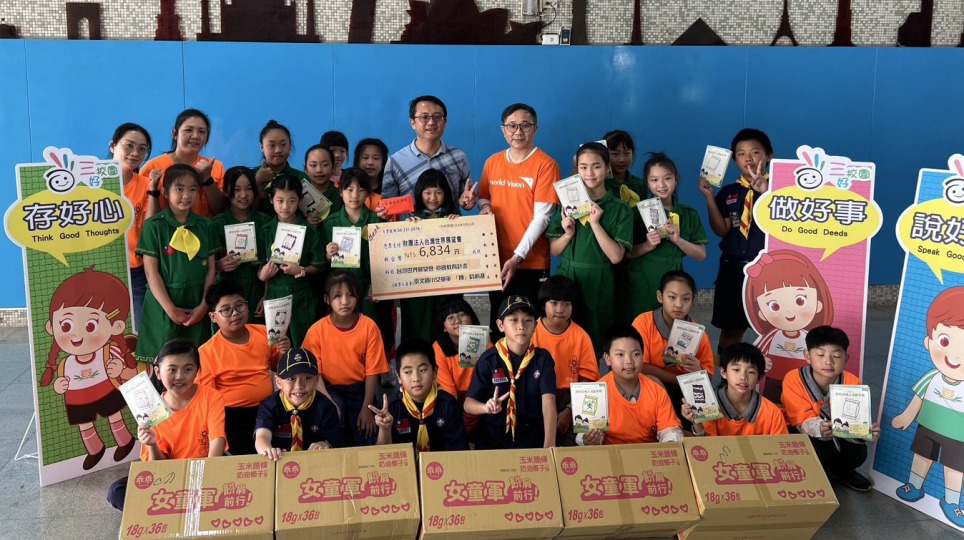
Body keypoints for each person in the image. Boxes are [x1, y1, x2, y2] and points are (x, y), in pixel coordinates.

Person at [465, 103, 560, 335]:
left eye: (525, 125)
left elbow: (542, 218)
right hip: (495, 259)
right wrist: (484, 206)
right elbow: (484, 197)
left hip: (530, 263)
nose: (518, 132)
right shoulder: (493, 161)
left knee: (527, 327)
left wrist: (517, 257)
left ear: (535, 128)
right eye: (512, 126)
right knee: (500, 324)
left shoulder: (546, 165)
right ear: (503, 130)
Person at [106, 339, 227, 511]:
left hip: (207, 470)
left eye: (188, 369)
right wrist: (151, 444)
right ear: (158, 372)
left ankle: (173, 509)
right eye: (172, 370)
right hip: (171, 478)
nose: (179, 376)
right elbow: (158, 469)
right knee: (117, 491)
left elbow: (217, 440)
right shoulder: (151, 410)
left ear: (197, 371)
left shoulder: (211, 397)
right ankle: (182, 508)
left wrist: (205, 478)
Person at [41, 267, 137, 471]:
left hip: (105, 389)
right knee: (84, 424)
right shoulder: (65, 363)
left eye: (91, 326)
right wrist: (59, 385)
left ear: (116, 326)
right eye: (66, 325)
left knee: (115, 415)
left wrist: (118, 368)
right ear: (51, 327)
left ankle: (125, 441)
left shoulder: (108, 351)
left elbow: (128, 369)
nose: (77, 335)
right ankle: (95, 450)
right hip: (78, 397)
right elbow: (61, 380)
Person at [547, 142, 632, 351]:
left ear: (607, 168)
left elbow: (616, 257)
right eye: (583, 167)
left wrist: (595, 224)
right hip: (568, 277)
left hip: (599, 282)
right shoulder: (567, 204)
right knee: (564, 340)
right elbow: (555, 250)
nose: (589, 173)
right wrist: (568, 234)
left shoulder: (620, 209)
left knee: (594, 342)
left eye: (596, 166)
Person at [892, 287, 964, 523]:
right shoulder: (931, 377)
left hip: (958, 434)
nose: (955, 355)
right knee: (922, 456)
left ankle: (951, 501)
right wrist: (906, 417)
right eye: (945, 340)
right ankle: (915, 485)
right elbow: (918, 398)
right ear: (928, 341)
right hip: (928, 427)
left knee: (955, 467)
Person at [134, 164, 218, 364]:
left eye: (193, 189)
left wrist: (204, 305)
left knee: (197, 360)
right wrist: (170, 309)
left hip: (198, 301)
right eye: (179, 189)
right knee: (164, 361)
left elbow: (211, 270)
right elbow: (151, 273)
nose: (186, 195)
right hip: (164, 302)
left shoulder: (206, 225)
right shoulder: (154, 226)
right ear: (165, 192)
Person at [197, 282, 290, 455]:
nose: (235, 313)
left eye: (239, 305)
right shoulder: (206, 353)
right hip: (232, 416)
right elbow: (207, 400)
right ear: (213, 317)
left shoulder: (264, 333)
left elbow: (280, 368)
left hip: (268, 409)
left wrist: (284, 352)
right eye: (226, 309)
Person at [783, 325, 880, 492]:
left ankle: (842, 471)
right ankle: (814, 471)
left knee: (858, 454)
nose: (828, 361)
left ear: (846, 358)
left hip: (836, 434)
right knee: (809, 450)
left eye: (836, 355)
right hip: (804, 431)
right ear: (808, 356)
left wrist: (865, 432)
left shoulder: (852, 381)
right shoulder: (794, 378)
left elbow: (853, 421)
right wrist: (819, 428)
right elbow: (799, 418)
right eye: (820, 355)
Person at [302, 271, 389, 446]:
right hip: (329, 390)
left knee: (367, 434)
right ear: (327, 299)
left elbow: (372, 372)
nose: (345, 301)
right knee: (332, 427)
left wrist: (366, 408)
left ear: (358, 297)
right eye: (338, 296)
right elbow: (314, 373)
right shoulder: (316, 331)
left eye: (350, 295)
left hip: (361, 390)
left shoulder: (369, 327)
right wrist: (329, 402)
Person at [464, 296, 557, 449]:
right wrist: (486, 407)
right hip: (492, 439)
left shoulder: (543, 359)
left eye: (528, 320)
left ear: (535, 325)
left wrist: (549, 444)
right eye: (514, 320)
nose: (521, 326)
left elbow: (548, 403)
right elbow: (468, 404)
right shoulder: (488, 360)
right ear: (500, 325)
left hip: (531, 437)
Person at [745, 249, 834, 403]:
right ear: (761, 313)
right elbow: (757, 353)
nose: (789, 313)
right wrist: (762, 360)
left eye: (800, 300)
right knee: (772, 403)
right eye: (774, 305)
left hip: (803, 379)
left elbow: (820, 355)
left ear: (818, 304)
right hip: (774, 377)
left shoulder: (810, 337)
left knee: (800, 404)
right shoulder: (772, 336)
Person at [625, 152, 708, 317]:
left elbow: (701, 255)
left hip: (674, 279)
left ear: (676, 179)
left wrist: (679, 241)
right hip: (643, 278)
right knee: (642, 322)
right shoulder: (636, 213)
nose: (661, 185)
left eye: (667, 178)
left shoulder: (689, 214)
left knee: (671, 322)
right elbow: (625, 254)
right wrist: (647, 245)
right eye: (654, 180)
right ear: (647, 183)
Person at [631, 270, 714, 428]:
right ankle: (660, 428)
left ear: (693, 300)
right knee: (652, 381)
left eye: (686, 299)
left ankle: (699, 434)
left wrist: (698, 371)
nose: (678, 305)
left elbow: (708, 378)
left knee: (703, 400)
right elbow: (640, 366)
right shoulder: (643, 322)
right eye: (672, 297)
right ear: (660, 297)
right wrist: (680, 379)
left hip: (685, 389)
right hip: (652, 385)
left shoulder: (699, 333)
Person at [323, 168, 392, 350]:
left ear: (368, 193)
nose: (355, 195)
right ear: (341, 192)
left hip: (370, 289)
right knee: (344, 336)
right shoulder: (330, 223)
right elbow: (323, 264)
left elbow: (387, 260)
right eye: (349, 189)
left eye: (361, 190)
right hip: (341, 292)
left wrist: (379, 287)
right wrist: (328, 255)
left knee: (373, 335)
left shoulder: (377, 222)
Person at [579, 325, 683, 446]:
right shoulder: (595, 393)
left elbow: (670, 430)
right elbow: (584, 434)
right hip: (611, 454)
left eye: (636, 354)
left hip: (648, 453)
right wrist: (589, 440)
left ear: (643, 355)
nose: (629, 361)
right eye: (620, 354)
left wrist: (670, 443)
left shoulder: (656, 390)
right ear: (608, 358)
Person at [257, 174, 326, 347]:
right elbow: (258, 266)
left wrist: (301, 270)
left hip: (302, 296)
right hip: (274, 295)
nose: (285, 206)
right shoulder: (265, 231)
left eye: (292, 201)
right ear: (271, 200)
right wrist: (262, 275)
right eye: (280, 201)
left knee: (304, 344)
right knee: (277, 346)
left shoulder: (310, 231)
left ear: (300, 200)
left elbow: (319, 265)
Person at [531, 275, 598, 446]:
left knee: (580, 444)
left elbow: (588, 381)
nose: (560, 309)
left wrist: (570, 410)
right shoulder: (531, 332)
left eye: (566, 304)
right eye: (554, 303)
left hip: (570, 398)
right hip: (535, 395)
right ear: (543, 304)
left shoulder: (581, 336)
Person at [371, 338, 469, 451]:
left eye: (422, 370)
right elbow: (382, 455)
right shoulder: (391, 408)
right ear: (399, 377)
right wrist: (384, 429)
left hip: (441, 462)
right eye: (408, 372)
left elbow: (457, 451)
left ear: (435, 371)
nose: (416, 378)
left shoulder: (449, 405)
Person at [399, 169, 461, 342]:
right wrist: (409, 229)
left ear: (445, 194)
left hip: (447, 287)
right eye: (427, 192)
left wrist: (458, 225)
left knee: (446, 330)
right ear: (420, 194)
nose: (433, 197)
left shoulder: (454, 220)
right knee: (418, 330)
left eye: (438, 192)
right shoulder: (412, 221)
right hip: (419, 291)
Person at [254, 347, 343, 459]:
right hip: (280, 462)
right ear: (279, 382)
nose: (299, 386)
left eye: (307, 378)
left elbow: (334, 441)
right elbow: (262, 436)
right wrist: (268, 451)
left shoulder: (326, 407)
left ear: (316, 381)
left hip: (315, 462)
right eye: (291, 379)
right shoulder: (269, 406)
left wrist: (324, 445)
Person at [110, 123, 158, 329]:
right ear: (113, 146)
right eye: (129, 145)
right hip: (101, 266)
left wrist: (154, 190)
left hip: (135, 268)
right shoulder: (91, 182)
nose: (135, 153)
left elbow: (149, 226)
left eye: (142, 149)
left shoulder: (146, 184)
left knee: (139, 327)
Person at [684, 343, 788, 436]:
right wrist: (697, 424)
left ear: (759, 378)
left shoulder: (772, 412)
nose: (743, 377)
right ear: (723, 372)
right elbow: (707, 446)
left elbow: (780, 447)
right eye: (736, 370)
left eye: (751, 372)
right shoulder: (708, 405)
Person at [382, 95, 471, 203]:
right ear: (412, 123)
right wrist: (384, 209)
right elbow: (388, 204)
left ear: (445, 122)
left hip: (450, 215)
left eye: (437, 117)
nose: (431, 122)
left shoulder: (458, 157)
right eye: (424, 117)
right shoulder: (395, 162)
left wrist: (467, 202)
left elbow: (466, 197)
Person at [212, 166, 271, 323]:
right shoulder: (216, 224)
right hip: (227, 290)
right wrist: (218, 265)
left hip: (257, 290)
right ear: (226, 192)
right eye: (236, 190)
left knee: (258, 332)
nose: (243, 195)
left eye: (249, 189)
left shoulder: (264, 222)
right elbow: (206, 264)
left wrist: (266, 296)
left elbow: (271, 261)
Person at [140, 108, 225, 217]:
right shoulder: (152, 167)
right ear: (175, 133)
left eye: (202, 132)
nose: (195, 136)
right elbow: (144, 216)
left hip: (206, 228)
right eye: (188, 130)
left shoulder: (216, 167)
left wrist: (208, 179)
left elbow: (222, 210)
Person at [433, 298, 486, 434]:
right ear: (443, 327)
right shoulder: (438, 349)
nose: (457, 320)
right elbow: (449, 393)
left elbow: (484, 384)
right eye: (450, 317)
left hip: (479, 401)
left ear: (471, 318)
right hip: (452, 403)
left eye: (462, 314)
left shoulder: (484, 343)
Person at [252, 120, 308, 204]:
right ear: (262, 147)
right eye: (272, 145)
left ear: (290, 146)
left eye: (283, 144)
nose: (278, 150)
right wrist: (257, 182)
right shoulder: (250, 177)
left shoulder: (301, 178)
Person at [603, 130, 646, 203]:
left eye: (627, 153)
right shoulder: (599, 185)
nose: (622, 159)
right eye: (615, 154)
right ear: (604, 155)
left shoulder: (640, 185)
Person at [303, 143, 342, 220]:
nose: (319, 170)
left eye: (325, 165)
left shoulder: (342, 193)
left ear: (333, 167)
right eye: (313, 165)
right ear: (305, 168)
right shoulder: (297, 193)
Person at [354, 138, 390, 215]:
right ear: (358, 161)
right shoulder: (350, 189)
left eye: (376, 158)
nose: (370, 162)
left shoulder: (389, 189)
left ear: (383, 163)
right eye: (365, 158)